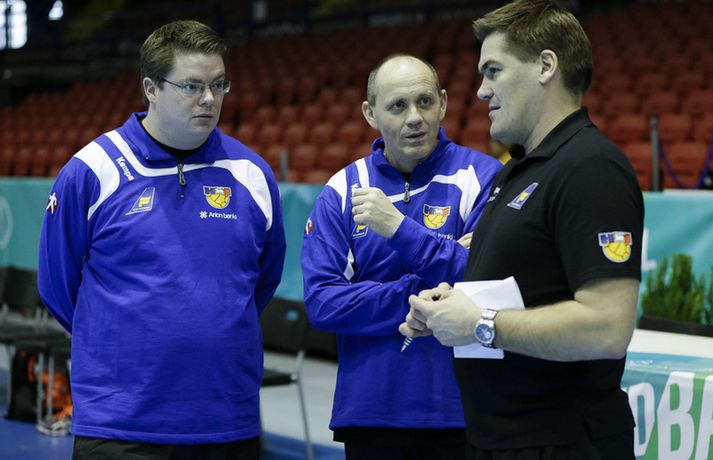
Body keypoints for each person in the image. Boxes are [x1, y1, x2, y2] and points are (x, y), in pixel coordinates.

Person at [400, 1, 644, 459]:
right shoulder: (517, 171)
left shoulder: (591, 167)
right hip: (502, 439)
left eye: (493, 71)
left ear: (546, 66)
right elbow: (529, 287)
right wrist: (453, 306)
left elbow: (608, 328)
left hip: (564, 443)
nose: (481, 91)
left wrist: (480, 324)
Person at [37, 20, 285, 460]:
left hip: (225, 422)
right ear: (150, 88)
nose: (209, 99)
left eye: (219, 84)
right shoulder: (92, 171)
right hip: (120, 426)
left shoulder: (253, 174)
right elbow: (58, 287)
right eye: (192, 86)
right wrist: (123, 339)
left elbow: (261, 281)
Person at [301, 54, 502, 459]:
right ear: (370, 113)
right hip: (370, 413)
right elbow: (323, 303)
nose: (415, 118)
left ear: (443, 103)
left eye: (425, 102)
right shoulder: (343, 189)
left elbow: (487, 284)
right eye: (397, 106)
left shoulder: (483, 178)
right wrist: (424, 292)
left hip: (463, 412)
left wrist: (398, 229)